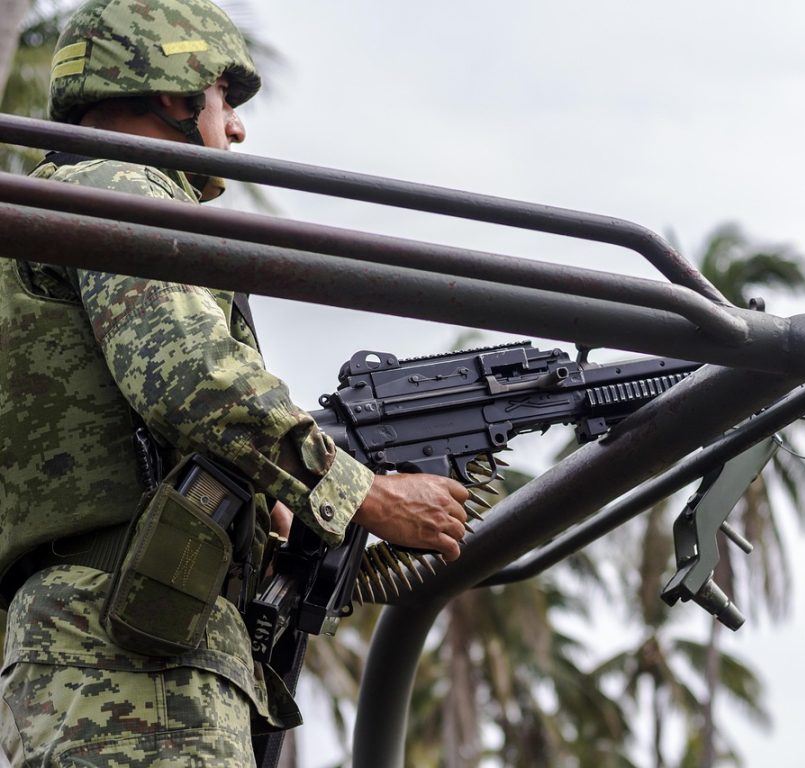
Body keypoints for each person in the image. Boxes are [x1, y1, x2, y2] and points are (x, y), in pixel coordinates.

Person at [0, 0, 470, 765]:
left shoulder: (58, 202)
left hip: (100, 642)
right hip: (135, 666)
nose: (238, 128)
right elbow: (191, 377)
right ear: (172, 91)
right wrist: (366, 494)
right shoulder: (122, 184)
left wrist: (264, 507)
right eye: (225, 98)